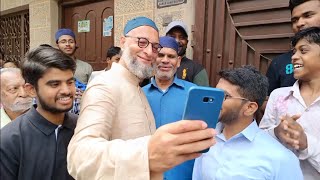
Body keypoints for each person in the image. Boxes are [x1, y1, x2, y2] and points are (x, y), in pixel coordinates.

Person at [67, 16, 216, 180]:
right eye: (141, 42)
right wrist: (146, 153)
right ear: (123, 42)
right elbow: (79, 156)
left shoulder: (137, 87)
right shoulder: (105, 85)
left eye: (154, 47)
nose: (149, 52)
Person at [193, 65, 303, 180]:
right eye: (216, 93)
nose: (215, 101)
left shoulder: (280, 158)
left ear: (250, 108)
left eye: (224, 96)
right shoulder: (207, 141)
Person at [0, 45, 78, 180]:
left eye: (70, 82)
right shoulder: (9, 139)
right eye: (55, 84)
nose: (66, 90)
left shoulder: (83, 127)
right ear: (31, 90)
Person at [260, 27, 320, 180]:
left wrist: (306, 144)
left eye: (303, 51)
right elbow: (259, 143)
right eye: (294, 52)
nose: (294, 57)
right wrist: (276, 132)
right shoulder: (278, 95)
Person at [143, 36, 197, 180]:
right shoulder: (139, 94)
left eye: (171, 56)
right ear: (154, 58)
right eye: (160, 55)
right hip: (148, 173)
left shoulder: (194, 93)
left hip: (184, 173)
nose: (165, 60)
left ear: (178, 61)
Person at [266, 0, 320, 95]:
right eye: (294, 20)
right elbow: (266, 100)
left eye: (307, 15)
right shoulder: (279, 63)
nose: (299, 23)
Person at [165, 20, 209, 86]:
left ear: (187, 42)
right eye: (172, 37)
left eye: (181, 37)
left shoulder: (196, 70)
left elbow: (204, 95)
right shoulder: (155, 65)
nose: (177, 41)